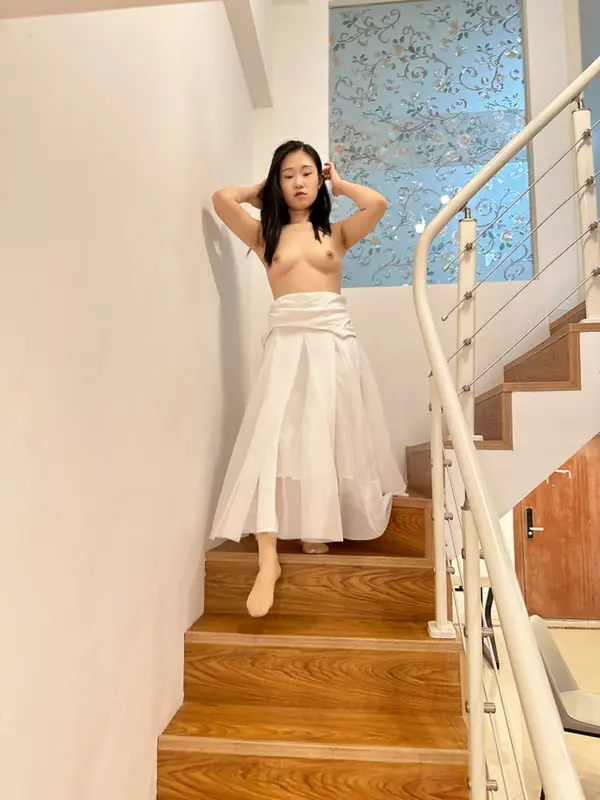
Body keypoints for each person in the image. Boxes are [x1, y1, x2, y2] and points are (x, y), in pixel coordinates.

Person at [210, 140, 406, 618]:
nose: (298, 182)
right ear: (277, 183)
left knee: (323, 435)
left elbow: (377, 203)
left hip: (333, 346)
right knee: (273, 440)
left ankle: (316, 525)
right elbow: (221, 200)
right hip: (286, 346)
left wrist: (340, 183)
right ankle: (268, 557)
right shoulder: (265, 237)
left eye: (306, 173)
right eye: (288, 175)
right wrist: (258, 190)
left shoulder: (336, 233)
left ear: (320, 179)